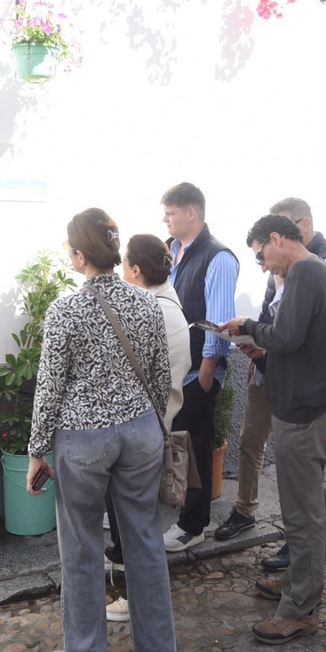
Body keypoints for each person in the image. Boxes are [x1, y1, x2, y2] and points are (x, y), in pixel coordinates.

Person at [27, 210, 176, 652]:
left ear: (78, 255)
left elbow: (50, 387)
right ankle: (161, 649)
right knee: (145, 536)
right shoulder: (147, 304)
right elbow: (160, 378)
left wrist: (36, 449)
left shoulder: (66, 310)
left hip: (84, 438)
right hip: (141, 434)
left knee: (82, 545)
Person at [222, 214, 326, 645]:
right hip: (309, 404)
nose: (262, 263)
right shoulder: (322, 270)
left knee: (302, 513)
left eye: (261, 253)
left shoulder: (304, 272)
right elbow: (303, 338)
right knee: (308, 506)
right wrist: (264, 344)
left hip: (302, 410)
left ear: (276, 239)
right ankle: (299, 583)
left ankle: (300, 608)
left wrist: (248, 328)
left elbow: (289, 336)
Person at [104, 233, 190, 623]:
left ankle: (137, 599)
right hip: (150, 424)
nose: (122, 272)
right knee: (132, 517)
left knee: (135, 521)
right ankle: (130, 585)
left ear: (136, 270)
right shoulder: (165, 305)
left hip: (145, 427)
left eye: (125, 265)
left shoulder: (154, 310)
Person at [161, 182, 239, 552]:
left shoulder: (217, 257)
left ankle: (194, 524)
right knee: (176, 444)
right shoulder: (171, 251)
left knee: (195, 447)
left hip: (197, 371)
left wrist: (207, 371)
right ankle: (180, 513)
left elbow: (218, 320)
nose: (165, 219)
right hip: (173, 369)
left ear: (191, 213)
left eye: (171, 213)